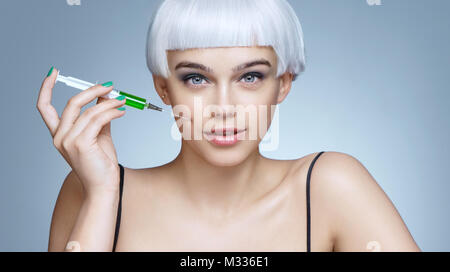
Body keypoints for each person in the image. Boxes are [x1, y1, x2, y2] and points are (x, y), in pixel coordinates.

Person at [37, 0, 420, 252]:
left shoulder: (331, 186)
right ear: (163, 88)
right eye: (196, 79)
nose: (224, 108)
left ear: (283, 84)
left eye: (250, 77)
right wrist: (103, 194)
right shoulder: (91, 191)